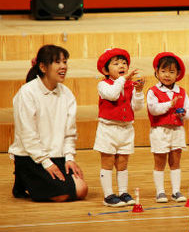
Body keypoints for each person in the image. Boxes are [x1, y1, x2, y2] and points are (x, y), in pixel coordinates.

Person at [9, 44, 88, 202]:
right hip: (31, 157)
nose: (63, 66)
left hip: (56, 155)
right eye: (57, 62)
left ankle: (25, 182)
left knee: (82, 189)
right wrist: (46, 163)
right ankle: (23, 179)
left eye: (64, 62)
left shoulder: (67, 94)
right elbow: (28, 134)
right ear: (43, 67)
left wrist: (70, 158)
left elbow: (70, 133)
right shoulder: (27, 92)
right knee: (64, 194)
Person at [93, 48, 145, 207]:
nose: (121, 66)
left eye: (124, 63)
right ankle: (108, 195)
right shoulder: (103, 84)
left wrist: (138, 91)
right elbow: (113, 94)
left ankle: (123, 192)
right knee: (108, 161)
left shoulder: (129, 85)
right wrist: (123, 81)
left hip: (126, 128)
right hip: (108, 129)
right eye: (116, 63)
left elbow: (136, 107)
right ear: (105, 70)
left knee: (122, 162)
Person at [147, 52, 189, 203]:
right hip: (160, 131)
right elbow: (153, 109)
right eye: (163, 71)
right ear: (157, 72)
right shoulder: (153, 91)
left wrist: (184, 114)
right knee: (160, 162)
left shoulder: (182, 92)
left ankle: (176, 191)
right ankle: (160, 192)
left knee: (175, 161)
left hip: (177, 130)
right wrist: (169, 104)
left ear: (178, 74)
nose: (167, 75)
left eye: (171, 72)